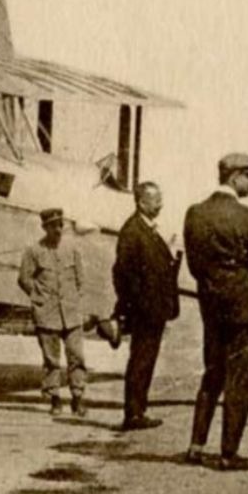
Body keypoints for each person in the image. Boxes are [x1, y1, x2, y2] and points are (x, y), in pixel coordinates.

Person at [182, 153, 248, 470]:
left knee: (212, 373)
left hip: (211, 304)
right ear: (235, 176)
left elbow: (195, 265)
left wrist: (215, 284)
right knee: (240, 379)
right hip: (244, 308)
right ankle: (228, 453)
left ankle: (196, 445)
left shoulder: (194, 213)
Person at [113, 181, 182, 431]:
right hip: (145, 311)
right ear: (142, 202)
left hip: (153, 310)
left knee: (145, 360)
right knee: (141, 360)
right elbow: (123, 274)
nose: (160, 204)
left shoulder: (146, 229)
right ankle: (133, 414)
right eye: (155, 200)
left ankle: (138, 410)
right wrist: (138, 306)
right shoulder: (133, 231)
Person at [18, 208, 89, 417]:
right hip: (47, 313)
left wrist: (75, 300)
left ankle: (78, 398)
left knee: (77, 356)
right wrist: (39, 297)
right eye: (53, 226)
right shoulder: (34, 250)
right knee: (51, 359)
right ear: (45, 228)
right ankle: (55, 399)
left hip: (71, 313)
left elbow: (80, 279)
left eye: (61, 225)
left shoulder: (72, 248)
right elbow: (24, 279)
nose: (58, 229)